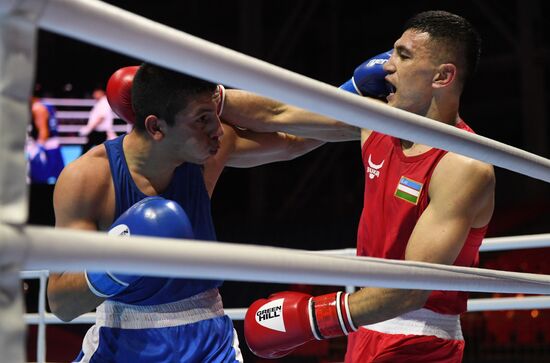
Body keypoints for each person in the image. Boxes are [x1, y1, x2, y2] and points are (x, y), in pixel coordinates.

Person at [222, 10, 495, 362]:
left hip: (420, 340)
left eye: (403, 55)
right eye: (392, 52)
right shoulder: (375, 123)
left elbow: (411, 291)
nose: (385, 66)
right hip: (364, 323)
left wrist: (311, 318)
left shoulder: (462, 165)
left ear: (443, 76)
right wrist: (210, 100)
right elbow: (277, 114)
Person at [46, 63, 353, 362]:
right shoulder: (89, 179)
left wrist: (358, 98)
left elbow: (295, 138)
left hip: (209, 341)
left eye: (215, 115)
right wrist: (116, 263)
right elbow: (61, 302)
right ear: (156, 127)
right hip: (123, 340)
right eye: (203, 119)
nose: (219, 130)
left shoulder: (207, 155)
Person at [27, 96, 65, 183]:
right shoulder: (48, 104)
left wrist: (38, 147)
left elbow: (44, 130)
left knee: (38, 179)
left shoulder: (37, 107)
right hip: (54, 144)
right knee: (60, 178)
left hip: (46, 146)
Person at [79, 87, 117, 153]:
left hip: (101, 132)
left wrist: (89, 128)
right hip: (97, 131)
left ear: (101, 92)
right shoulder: (100, 103)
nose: (93, 95)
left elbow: (101, 118)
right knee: (88, 148)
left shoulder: (104, 103)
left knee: (89, 148)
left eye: (95, 93)